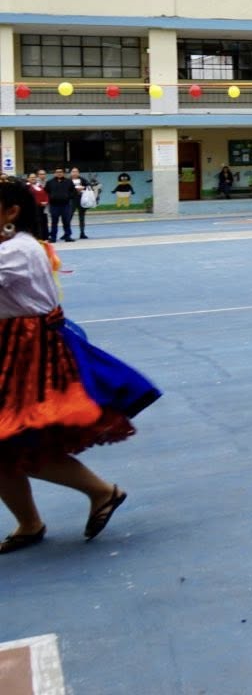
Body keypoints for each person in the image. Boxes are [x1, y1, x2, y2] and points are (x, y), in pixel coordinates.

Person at [0, 177, 161, 554]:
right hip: (14, 350)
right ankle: (30, 522)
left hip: (29, 354)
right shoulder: (14, 246)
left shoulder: (18, 251)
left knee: (15, 442)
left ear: (11, 212)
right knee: (7, 446)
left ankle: (101, 492)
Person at [44, 168, 77, 243]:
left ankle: (67, 236)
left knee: (66, 221)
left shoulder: (68, 181)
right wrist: (51, 198)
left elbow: (73, 192)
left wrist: (68, 196)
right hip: (54, 205)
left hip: (65, 205)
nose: (59, 173)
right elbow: (46, 192)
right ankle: (53, 238)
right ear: (54, 173)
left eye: (61, 172)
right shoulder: (50, 182)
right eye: (57, 172)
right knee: (54, 222)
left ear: (63, 173)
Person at [69, 168, 94, 239]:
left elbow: (89, 186)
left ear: (78, 173)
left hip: (82, 200)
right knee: (69, 217)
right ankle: (67, 234)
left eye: (76, 172)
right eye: (73, 171)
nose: (74, 173)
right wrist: (74, 189)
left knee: (82, 218)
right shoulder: (67, 180)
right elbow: (65, 189)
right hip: (72, 201)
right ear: (71, 173)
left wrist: (83, 187)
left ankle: (82, 233)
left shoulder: (82, 179)